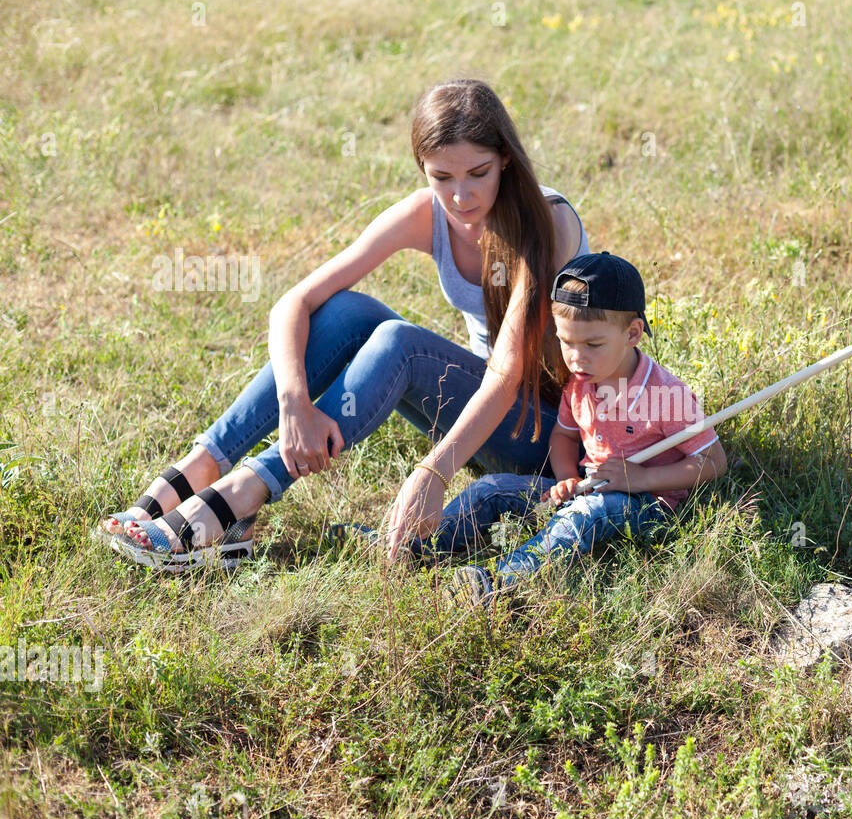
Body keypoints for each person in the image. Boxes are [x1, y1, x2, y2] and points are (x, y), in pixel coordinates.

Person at [95, 78, 589, 568]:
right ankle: (201, 466)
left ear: (505, 157)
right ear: (422, 169)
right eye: (441, 178)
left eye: (478, 173)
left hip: (555, 439)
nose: (460, 197)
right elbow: (295, 301)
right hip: (485, 423)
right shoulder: (428, 215)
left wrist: (433, 475)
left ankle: (241, 494)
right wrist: (293, 405)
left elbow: (506, 374)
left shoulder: (547, 221)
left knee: (403, 344)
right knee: (349, 311)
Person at [418, 251, 728, 606]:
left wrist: (639, 479)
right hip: (587, 488)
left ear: (632, 333)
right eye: (566, 342)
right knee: (493, 487)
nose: (576, 357)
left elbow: (712, 462)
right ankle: (417, 544)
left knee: (586, 515)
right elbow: (564, 435)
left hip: (648, 505)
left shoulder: (666, 395)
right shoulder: (581, 382)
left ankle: (501, 581)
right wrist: (566, 478)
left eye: (593, 344)